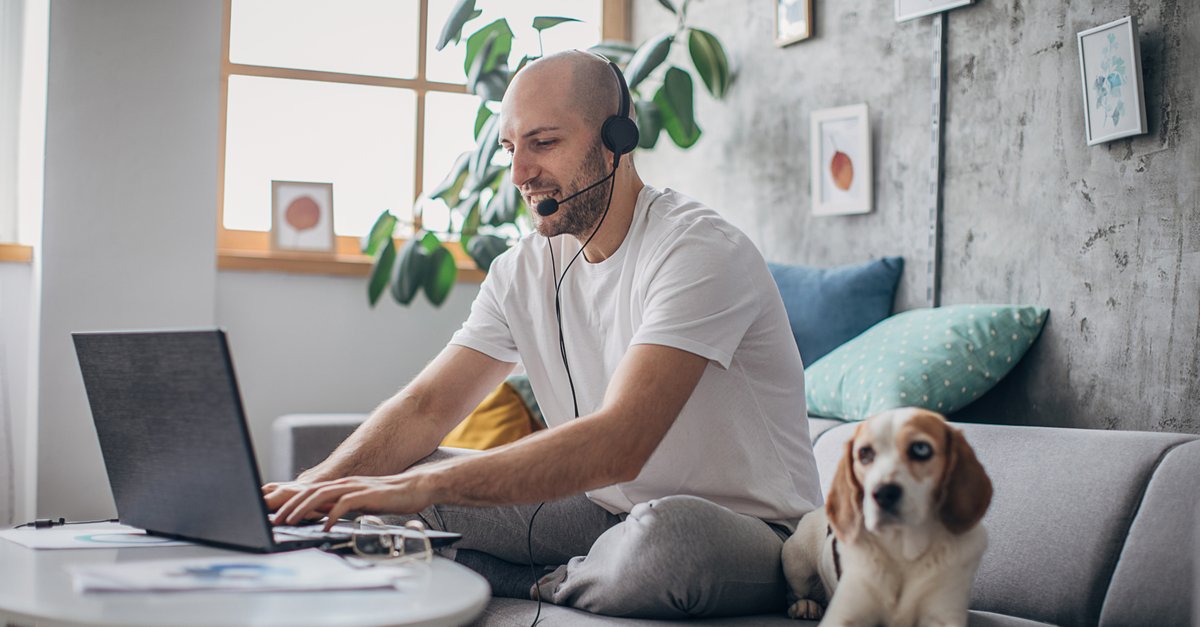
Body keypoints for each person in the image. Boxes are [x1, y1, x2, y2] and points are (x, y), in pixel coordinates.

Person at [265, 50, 822, 619]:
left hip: (751, 531)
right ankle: (576, 571)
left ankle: (532, 582)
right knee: (377, 496)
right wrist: (316, 486)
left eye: (544, 143)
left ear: (616, 140)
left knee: (666, 544)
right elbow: (426, 406)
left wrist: (430, 489)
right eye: (510, 148)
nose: (517, 174)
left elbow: (620, 444)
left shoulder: (697, 250)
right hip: (604, 514)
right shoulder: (522, 270)